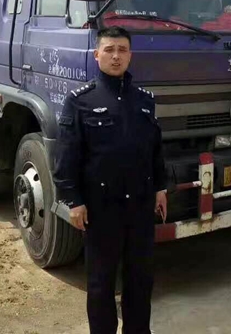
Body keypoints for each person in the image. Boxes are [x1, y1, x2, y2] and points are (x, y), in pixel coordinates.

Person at [53, 26, 167, 334]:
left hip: (140, 207)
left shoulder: (144, 100)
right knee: (101, 283)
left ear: (130, 55)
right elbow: (67, 155)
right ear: (97, 55)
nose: (116, 56)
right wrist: (73, 200)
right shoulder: (80, 101)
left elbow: (155, 149)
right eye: (109, 50)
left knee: (140, 279)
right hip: (102, 208)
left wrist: (160, 187)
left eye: (122, 50)